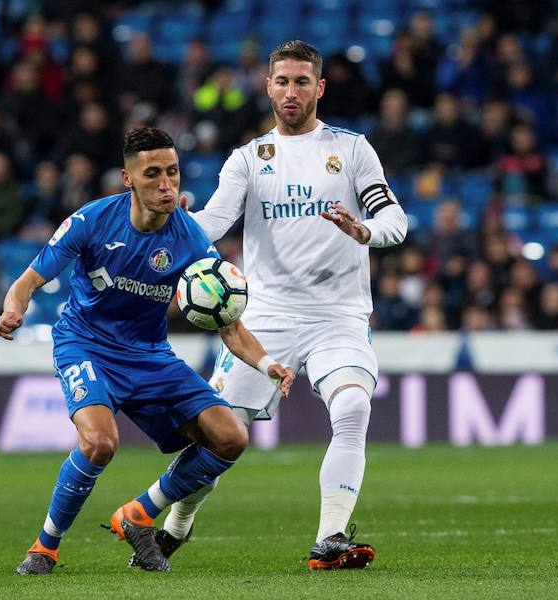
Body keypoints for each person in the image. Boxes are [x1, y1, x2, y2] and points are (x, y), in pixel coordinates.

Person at [0, 127, 294, 575]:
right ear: (127, 179)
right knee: (100, 443)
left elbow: (230, 326)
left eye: (172, 172)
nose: (166, 184)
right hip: (86, 345)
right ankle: (45, 548)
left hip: (150, 354)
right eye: (152, 174)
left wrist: (270, 365)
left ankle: (138, 513)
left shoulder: (191, 239)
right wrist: (12, 312)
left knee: (231, 437)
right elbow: (27, 282)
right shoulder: (91, 221)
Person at [163, 40, 408, 570]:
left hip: (337, 315)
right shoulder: (249, 158)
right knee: (218, 434)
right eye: (282, 81)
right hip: (264, 316)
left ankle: (331, 538)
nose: (291, 91)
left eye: (302, 82)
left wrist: (364, 229)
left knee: (352, 408)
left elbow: (396, 220)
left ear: (319, 88)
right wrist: (176, 221)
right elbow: (214, 222)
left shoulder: (353, 148)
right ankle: (173, 528)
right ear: (268, 86)